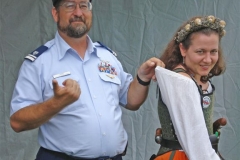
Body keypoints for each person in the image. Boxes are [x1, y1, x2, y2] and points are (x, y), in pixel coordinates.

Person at [9, 0, 164, 160]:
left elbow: (131, 100)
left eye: (84, 5)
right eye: (70, 6)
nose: (78, 12)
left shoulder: (106, 56)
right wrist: (57, 103)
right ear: (55, 14)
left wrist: (142, 78)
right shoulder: (39, 63)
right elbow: (17, 121)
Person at [150, 15, 227, 160]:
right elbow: (198, 148)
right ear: (183, 49)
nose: (208, 59)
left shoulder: (198, 77)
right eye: (200, 51)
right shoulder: (181, 82)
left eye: (213, 51)